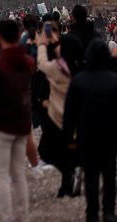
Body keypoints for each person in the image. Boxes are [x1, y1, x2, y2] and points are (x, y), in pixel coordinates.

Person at [0, 18, 35, 222]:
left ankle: (5, 216)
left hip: (1, 126)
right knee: (18, 173)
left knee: (1, 174)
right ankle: (22, 215)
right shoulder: (28, 62)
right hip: (21, 122)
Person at [62, 39, 117, 222]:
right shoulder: (114, 80)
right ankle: (108, 210)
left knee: (91, 175)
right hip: (111, 135)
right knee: (109, 174)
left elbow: (69, 113)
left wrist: (68, 138)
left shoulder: (78, 81)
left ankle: (91, 212)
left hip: (87, 135)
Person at [36, 25, 83, 197]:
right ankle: (70, 179)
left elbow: (41, 63)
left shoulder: (57, 68)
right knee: (70, 151)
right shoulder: (80, 68)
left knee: (48, 151)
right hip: (78, 116)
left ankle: (69, 177)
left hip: (57, 115)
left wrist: (42, 44)